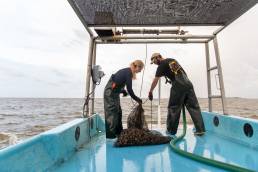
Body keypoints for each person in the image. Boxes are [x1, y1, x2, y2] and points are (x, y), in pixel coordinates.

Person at [148, 53, 205, 136]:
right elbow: (180, 73)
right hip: (188, 84)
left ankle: (171, 131)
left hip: (178, 86)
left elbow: (155, 80)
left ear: (158, 57)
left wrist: (150, 91)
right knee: (194, 107)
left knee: (173, 108)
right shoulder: (172, 60)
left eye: (154, 61)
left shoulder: (161, 66)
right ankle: (200, 130)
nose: (155, 63)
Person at [104, 60, 144, 138]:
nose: (140, 71)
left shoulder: (128, 72)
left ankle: (118, 133)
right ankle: (110, 136)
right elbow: (130, 89)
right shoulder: (128, 73)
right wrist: (137, 99)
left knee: (118, 112)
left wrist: (123, 91)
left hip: (115, 94)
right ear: (137, 66)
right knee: (112, 114)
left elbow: (117, 83)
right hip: (110, 94)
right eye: (140, 69)